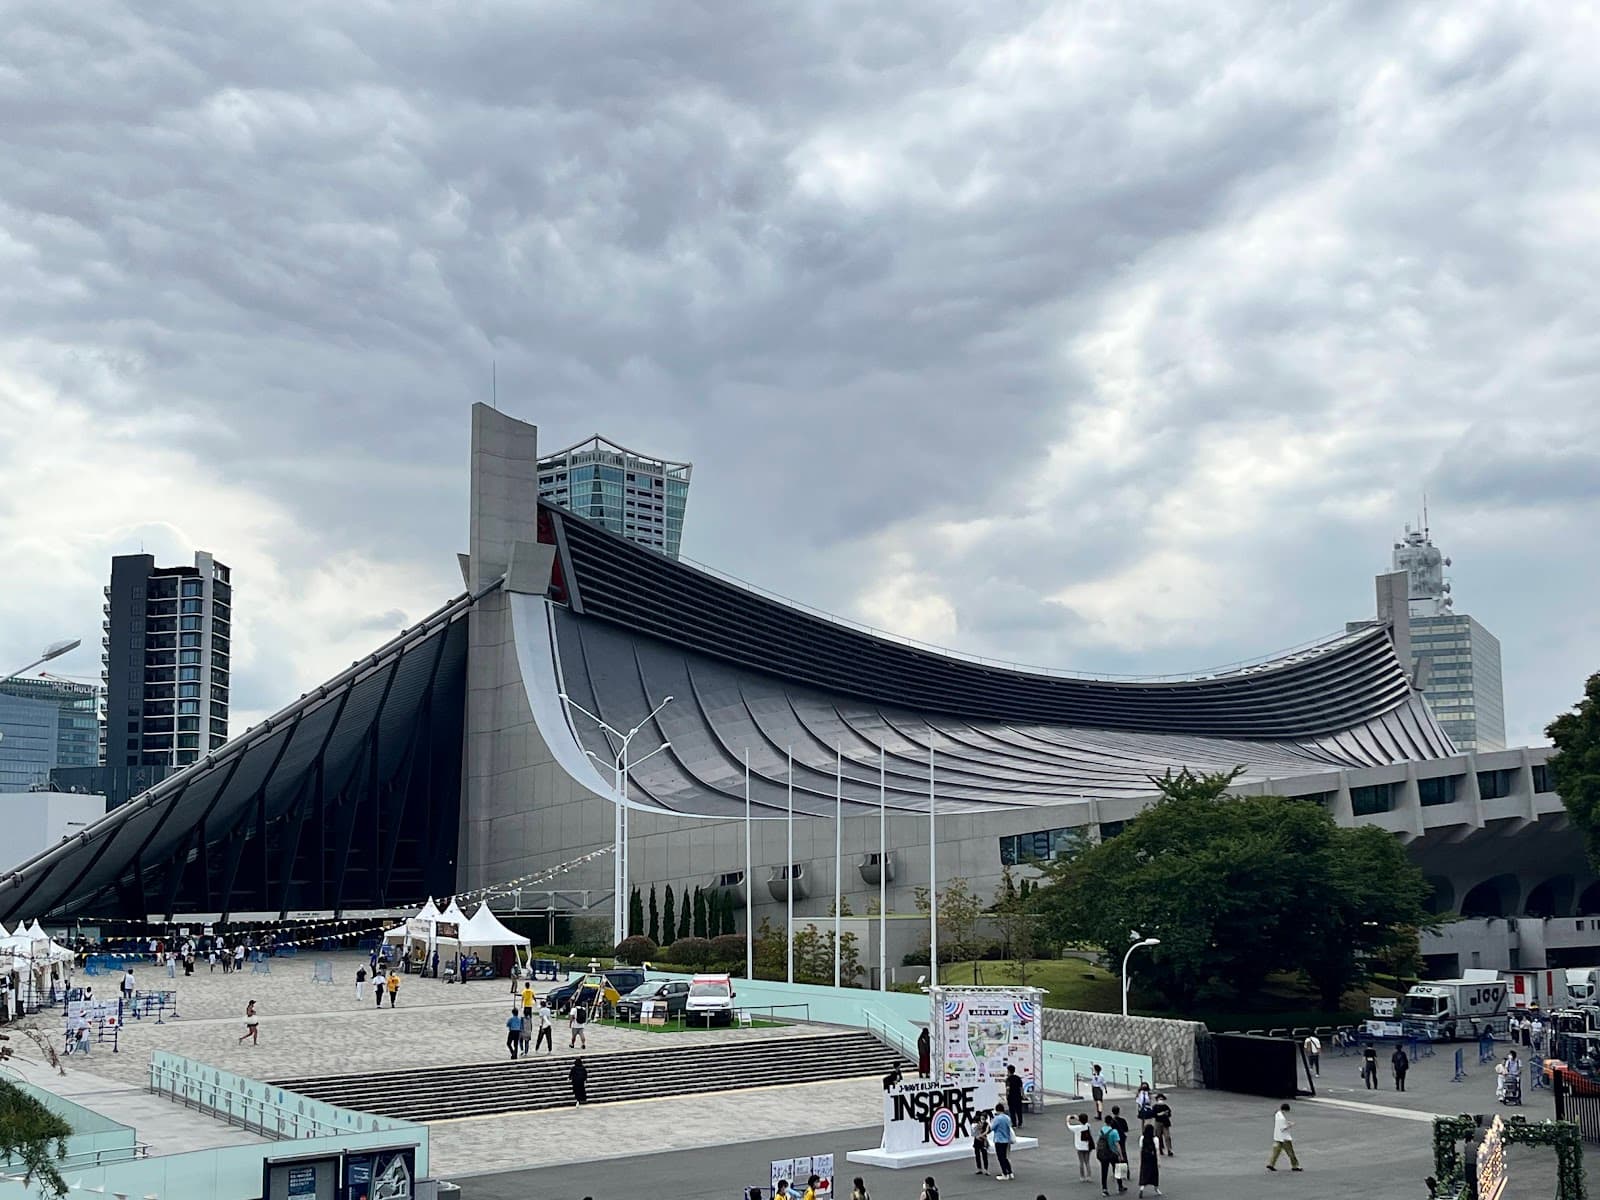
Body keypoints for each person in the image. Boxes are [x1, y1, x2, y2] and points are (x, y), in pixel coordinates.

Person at [1266, 1102, 1301, 1172]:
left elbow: (1282, 1122)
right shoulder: (1282, 1118)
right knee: (1290, 1152)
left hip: (1277, 1136)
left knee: (1276, 1152)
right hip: (1284, 1138)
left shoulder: (1277, 1114)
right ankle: (1295, 1166)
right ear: (1286, 1110)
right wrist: (1291, 1125)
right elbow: (1283, 1127)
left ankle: (1271, 1164)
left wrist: (1287, 1122)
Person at [1096, 1114, 1123, 1195]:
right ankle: (1120, 1186)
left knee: (1104, 1171)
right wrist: (1121, 1155)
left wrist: (1098, 1151)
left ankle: (1104, 1188)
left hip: (1103, 1153)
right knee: (1117, 1170)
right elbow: (1117, 1144)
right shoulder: (1114, 1132)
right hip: (1112, 1153)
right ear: (1111, 1122)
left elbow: (1099, 1142)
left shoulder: (1102, 1130)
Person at [991, 1102, 1015, 1180]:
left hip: (999, 1139)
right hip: (1006, 1139)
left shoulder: (997, 1118)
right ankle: (1010, 1172)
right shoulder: (1007, 1118)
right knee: (1005, 1157)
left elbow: (992, 1127)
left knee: (1000, 1157)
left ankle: (1004, 1173)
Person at [1137, 1124, 1162, 1198]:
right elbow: (1157, 1150)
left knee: (1144, 1173)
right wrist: (1159, 1161)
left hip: (1145, 1158)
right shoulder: (1155, 1139)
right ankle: (1156, 1188)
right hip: (1152, 1158)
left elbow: (1141, 1149)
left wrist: (1141, 1158)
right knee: (1154, 1173)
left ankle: (1142, 1188)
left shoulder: (1142, 1138)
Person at [1069, 1112, 1093, 1181]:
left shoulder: (1077, 1128)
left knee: (1081, 1162)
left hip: (1079, 1147)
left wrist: (1068, 1120)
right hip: (1087, 1146)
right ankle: (1089, 1176)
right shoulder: (1088, 1126)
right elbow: (1084, 1122)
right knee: (1087, 1162)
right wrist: (1078, 1119)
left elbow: (1069, 1126)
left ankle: (1082, 1176)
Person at [972, 1108, 991, 1176]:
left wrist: (981, 1136)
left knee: (984, 1155)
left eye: (983, 1118)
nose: (982, 1120)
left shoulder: (987, 1124)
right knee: (977, 1155)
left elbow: (987, 1131)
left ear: (986, 1119)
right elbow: (973, 1131)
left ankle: (986, 1169)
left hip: (983, 1140)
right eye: (981, 1118)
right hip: (977, 1141)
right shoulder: (977, 1123)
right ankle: (979, 1168)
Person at [1006, 1064, 1026, 1128]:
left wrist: (1007, 1096)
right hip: (1018, 1096)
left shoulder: (1008, 1079)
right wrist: (1023, 1095)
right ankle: (1020, 1123)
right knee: (1019, 1110)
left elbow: (1008, 1088)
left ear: (1009, 1071)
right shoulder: (1018, 1078)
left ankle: (1014, 1124)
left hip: (1011, 1097)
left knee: (1012, 1111)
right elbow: (1021, 1088)